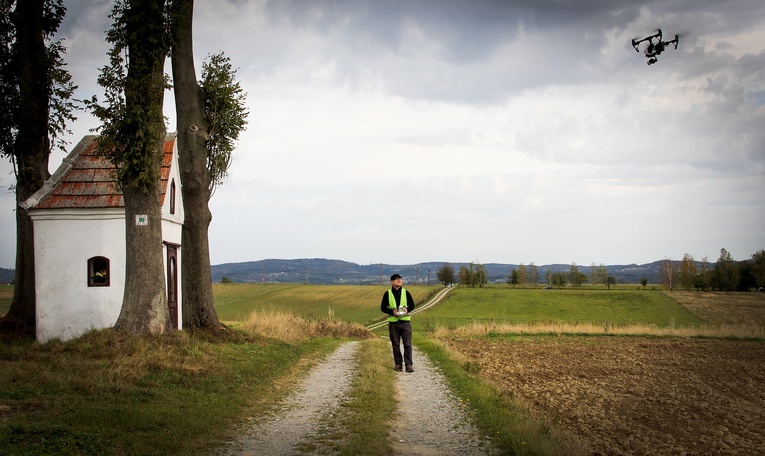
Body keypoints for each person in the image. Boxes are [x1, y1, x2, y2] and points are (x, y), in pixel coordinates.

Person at [380, 273, 416, 372]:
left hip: (405, 322)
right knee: (395, 344)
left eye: (400, 279)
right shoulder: (387, 293)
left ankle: (409, 365)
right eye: (396, 279)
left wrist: (407, 310)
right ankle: (398, 364)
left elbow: (412, 305)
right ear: (391, 282)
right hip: (393, 323)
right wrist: (392, 312)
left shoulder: (406, 292)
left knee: (407, 344)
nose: (399, 280)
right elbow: (383, 308)